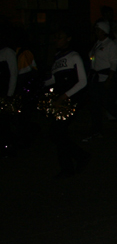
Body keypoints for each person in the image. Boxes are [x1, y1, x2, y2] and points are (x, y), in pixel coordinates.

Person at [43, 27, 90, 176]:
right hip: (60, 100)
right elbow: (53, 79)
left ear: (68, 39)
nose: (57, 40)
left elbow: (82, 81)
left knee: (56, 133)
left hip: (70, 100)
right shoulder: (57, 57)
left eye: (60, 37)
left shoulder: (74, 56)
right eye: (56, 37)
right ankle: (70, 165)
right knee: (58, 134)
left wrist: (65, 96)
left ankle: (78, 159)